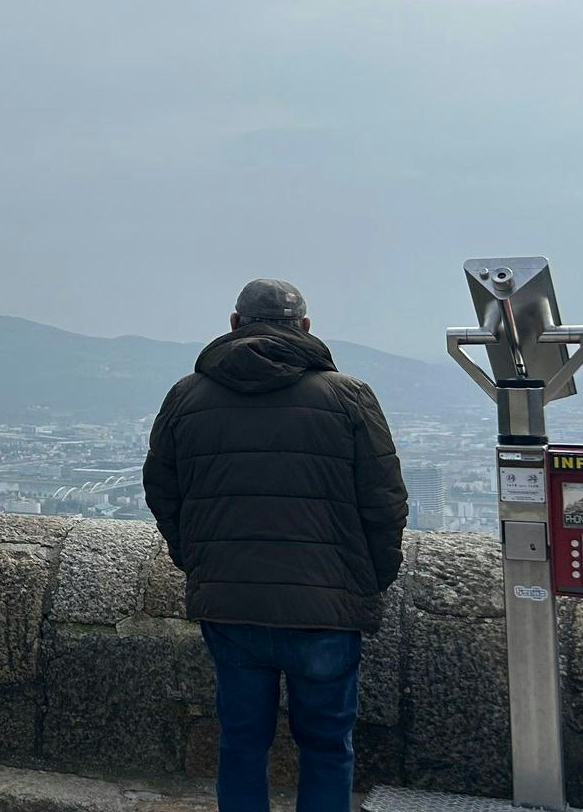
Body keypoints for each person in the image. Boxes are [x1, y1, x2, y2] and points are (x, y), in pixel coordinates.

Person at [142, 280, 407, 812]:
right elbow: (385, 503)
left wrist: (199, 563)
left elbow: (162, 492)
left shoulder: (186, 396)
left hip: (233, 606)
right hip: (326, 608)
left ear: (234, 324)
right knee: (328, 747)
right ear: (306, 328)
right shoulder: (348, 396)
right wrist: (368, 580)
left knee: (240, 743)